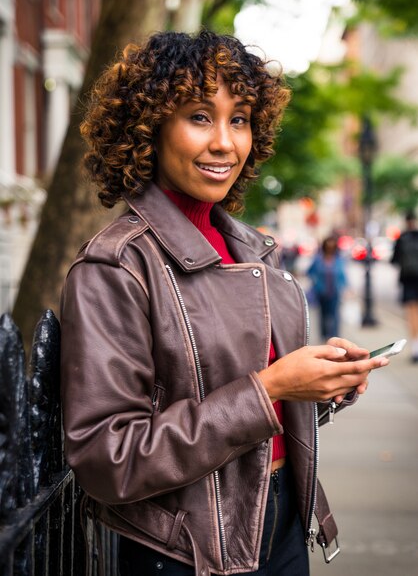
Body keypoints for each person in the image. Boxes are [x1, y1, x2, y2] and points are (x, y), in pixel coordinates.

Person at [60, 30, 389, 576]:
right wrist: (274, 386)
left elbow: (243, 410)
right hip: (184, 550)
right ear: (149, 129)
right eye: (199, 116)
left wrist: (321, 386)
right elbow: (107, 460)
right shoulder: (115, 266)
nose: (225, 142)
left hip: (281, 520)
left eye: (239, 119)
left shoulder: (249, 247)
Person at [307, 235, 347, 341]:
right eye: (328, 246)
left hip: (335, 292)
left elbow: (343, 275)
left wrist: (346, 287)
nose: (330, 248)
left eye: (332, 246)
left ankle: (335, 336)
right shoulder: (318, 259)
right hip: (321, 292)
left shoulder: (339, 260)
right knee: (323, 315)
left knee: (335, 315)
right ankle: (324, 335)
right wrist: (317, 283)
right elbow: (310, 272)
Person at [391, 210, 418, 363]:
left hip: (407, 280)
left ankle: (415, 348)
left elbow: (394, 260)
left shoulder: (402, 238)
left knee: (411, 314)